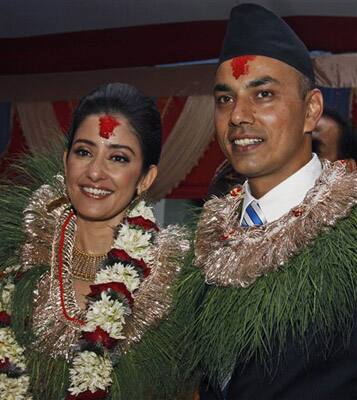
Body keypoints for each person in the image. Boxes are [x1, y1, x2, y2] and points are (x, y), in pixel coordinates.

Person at [175, 4, 357, 399]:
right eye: (225, 99)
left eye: (264, 94)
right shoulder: (203, 242)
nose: (238, 116)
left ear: (311, 111)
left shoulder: (352, 230)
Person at [0, 83, 188, 399]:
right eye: (84, 152)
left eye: (118, 158)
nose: (96, 172)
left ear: (145, 178)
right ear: (65, 160)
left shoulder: (174, 281)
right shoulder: (17, 261)